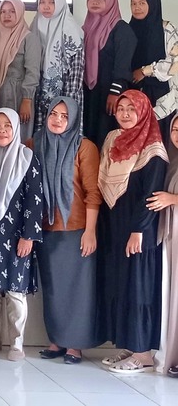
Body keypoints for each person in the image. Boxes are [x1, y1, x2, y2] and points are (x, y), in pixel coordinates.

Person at [98, 90, 166, 374]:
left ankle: (143, 354)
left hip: (140, 231)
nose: (125, 114)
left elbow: (150, 196)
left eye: (132, 109)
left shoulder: (153, 149)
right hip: (117, 228)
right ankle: (130, 345)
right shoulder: (113, 139)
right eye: (121, 108)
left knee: (139, 288)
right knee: (122, 286)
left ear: (144, 112)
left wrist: (138, 230)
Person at [33, 97, 102, 365]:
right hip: (46, 227)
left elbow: (93, 193)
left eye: (64, 115)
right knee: (52, 288)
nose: (58, 119)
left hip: (77, 229)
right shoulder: (36, 144)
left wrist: (90, 231)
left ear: (73, 118)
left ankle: (75, 345)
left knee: (77, 289)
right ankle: (57, 340)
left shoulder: (84, 147)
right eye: (54, 113)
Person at [0, 109, 43, 362]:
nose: (2, 130)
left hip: (17, 236)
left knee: (16, 291)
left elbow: (35, 199)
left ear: (16, 129)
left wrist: (29, 236)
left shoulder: (27, 158)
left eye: (8, 125)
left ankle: (17, 343)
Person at [82, 0, 137, 147]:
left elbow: (123, 63)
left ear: (111, 1)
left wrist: (115, 92)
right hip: (90, 92)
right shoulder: (86, 29)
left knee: (106, 135)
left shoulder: (122, 29)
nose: (95, 2)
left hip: (109, 93)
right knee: (89, 134)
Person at [32, 0, 85, 136]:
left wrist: (68, 102)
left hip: (66, 90)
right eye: (42, 2)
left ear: (61, 3)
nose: (46, 6)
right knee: (41, 137)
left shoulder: (71, 29)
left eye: (52, 2)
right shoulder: (35, 25)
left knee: (63, 133)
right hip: (40, 92)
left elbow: (76, 69)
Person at [150, 113, 178, 375]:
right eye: (175, 129)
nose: (177, 135)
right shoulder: (171, 160)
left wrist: (172, 199)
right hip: (172, 236)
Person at [0, 0, 41, 139]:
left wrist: (27, 99)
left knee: (18, 136)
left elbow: (32, 71)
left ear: (20, 13)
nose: (7, 15)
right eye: (3, 11)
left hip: (19, 95)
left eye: (12, 11)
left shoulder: (29, 38)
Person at [130, 0, 178, 109]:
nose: (137, 7)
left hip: (161, 99)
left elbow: (175, 62)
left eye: (142, 3)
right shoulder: (128, 30)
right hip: (132, 96)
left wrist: (144, 71)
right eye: (133, 3)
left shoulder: (167, 29)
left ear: (152, 4)